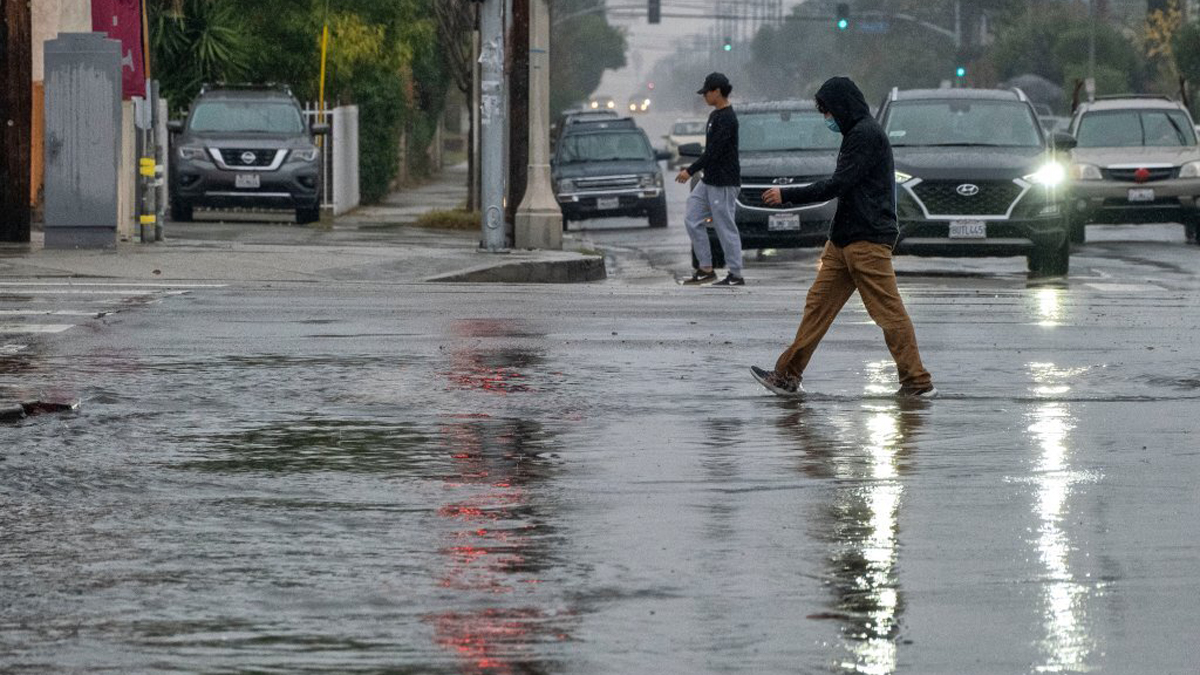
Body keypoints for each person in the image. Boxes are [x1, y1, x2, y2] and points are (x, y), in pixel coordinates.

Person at [751, 76, 936, 398]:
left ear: (842, 107)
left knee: (888, 313)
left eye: (828, 112)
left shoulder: (865, 135)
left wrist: (787, 196)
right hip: (843, 241)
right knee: (817, 308)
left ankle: (917, 382)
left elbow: (839, 184)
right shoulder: (856, 133)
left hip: (868, 239)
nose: (827, 119)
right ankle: (787, 375)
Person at [676, 72, 744, 286]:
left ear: (717, 92)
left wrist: (690, 170)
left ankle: (736, 273)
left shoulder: (727, 119)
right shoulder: (714, 116)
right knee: (692, 218)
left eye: (707, 92)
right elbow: (710, 152)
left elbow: (714, 152)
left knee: (725, 226)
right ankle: (706, 268)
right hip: (710, 180)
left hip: (724, 182)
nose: (704, 96)